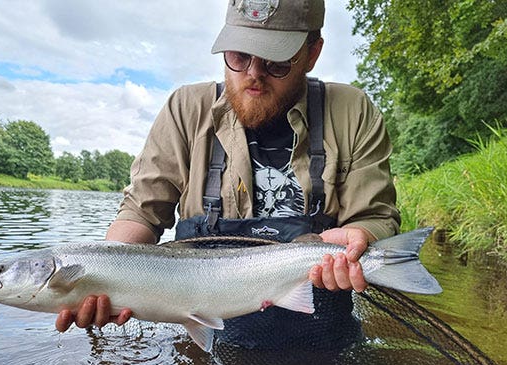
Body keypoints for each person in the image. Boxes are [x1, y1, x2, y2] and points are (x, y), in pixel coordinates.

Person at [55, 0, 400, 346]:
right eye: (239, 55)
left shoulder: (352, 112)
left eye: (276, 61)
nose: (253, 73)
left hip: (324, 336)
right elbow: (141, 212)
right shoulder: (186, 110)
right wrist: (104, 278)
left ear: (312, 53)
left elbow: (375, 217)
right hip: (207, 335)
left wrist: (360, 237)